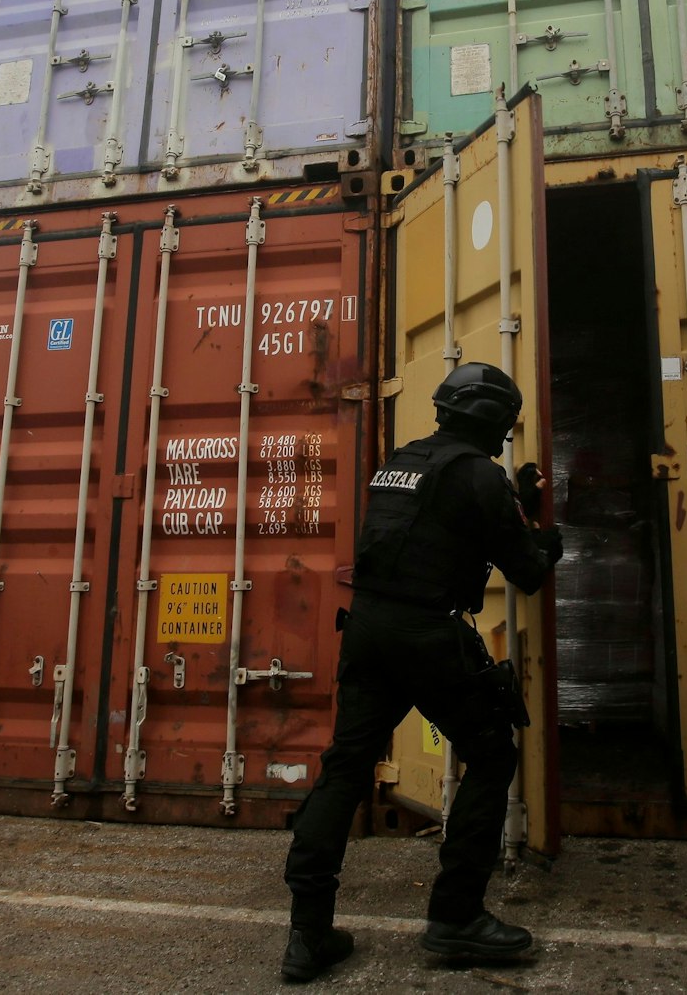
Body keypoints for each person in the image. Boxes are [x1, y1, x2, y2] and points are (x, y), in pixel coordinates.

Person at [280, 362, 563, 983]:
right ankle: (457, 916)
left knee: (346, 768)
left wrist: (513, 503)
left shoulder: (401, 462)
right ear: (491, 420)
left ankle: (308, 933)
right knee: (492, 755)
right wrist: (546, 532)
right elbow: (527, 571)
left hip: (368, 628)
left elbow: (433, 528)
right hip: (427, 636)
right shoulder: (480, 475)